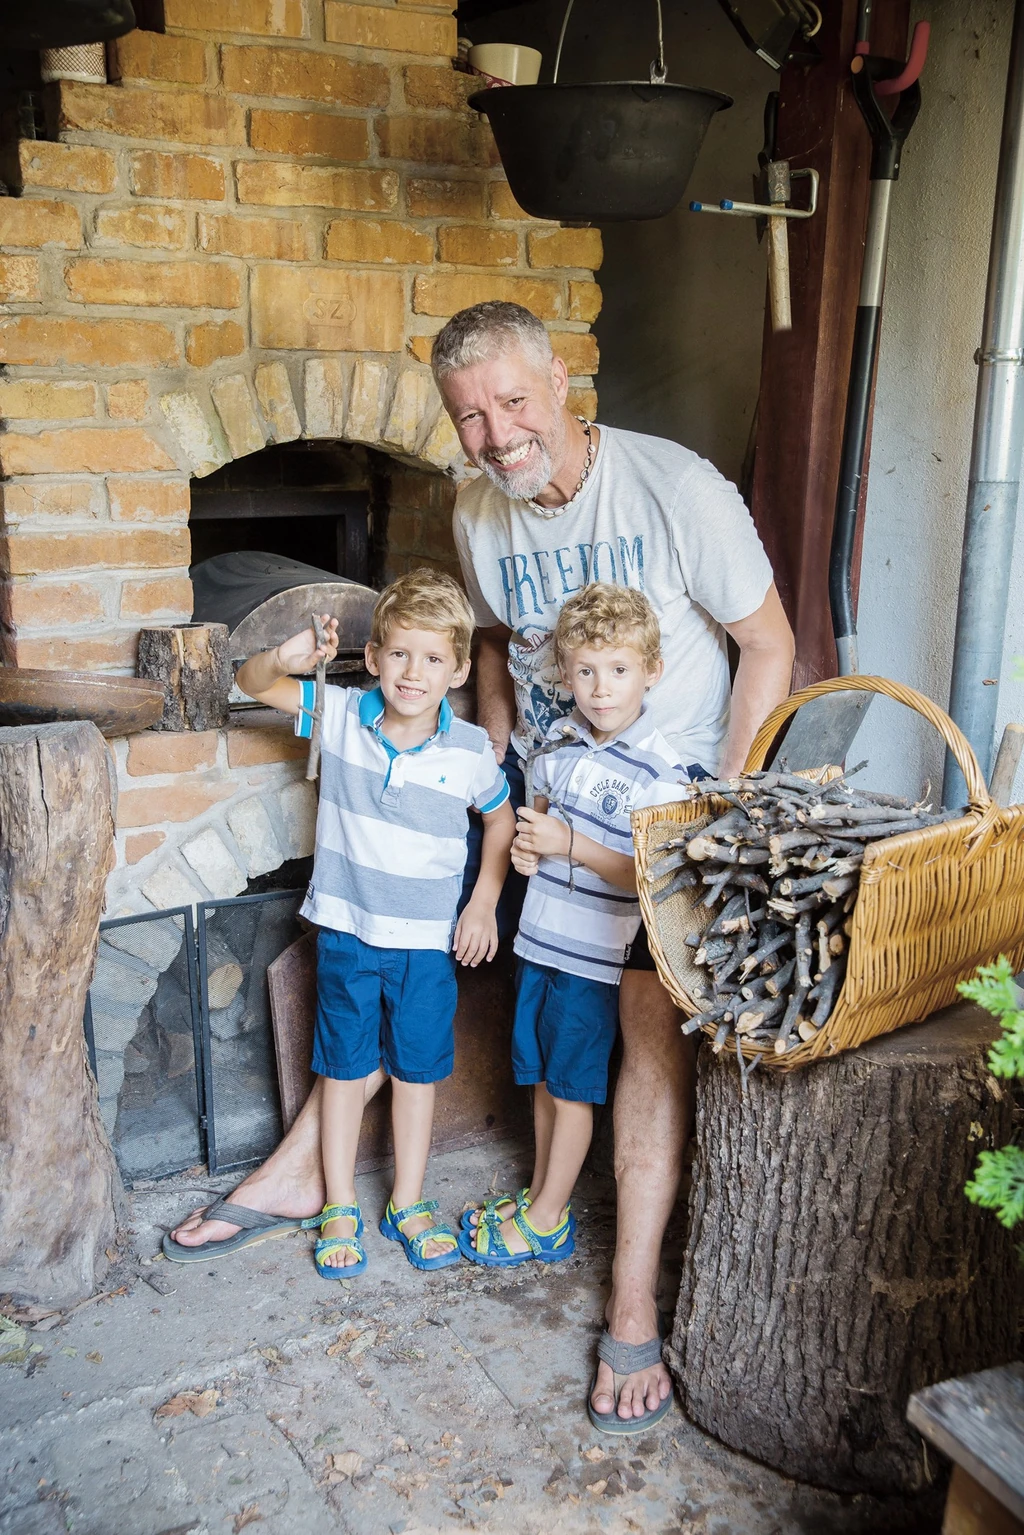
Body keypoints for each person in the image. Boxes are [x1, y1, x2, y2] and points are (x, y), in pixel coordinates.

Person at [167, 302, 795, 1430]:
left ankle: (632, 1304)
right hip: (542, 795)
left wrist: (719, 818)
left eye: (512, 401)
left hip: (663, 815)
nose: (497, 434)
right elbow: (498, 642)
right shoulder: (478, 508)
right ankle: (313, 1167)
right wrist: (489, 744)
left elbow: (769, 643)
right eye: (469, 416)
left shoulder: (675, 488)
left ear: (559, 383)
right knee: (396, 892)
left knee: (645, 1033)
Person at [165, 571, 515, 1277]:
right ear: (375, 656)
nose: (413, 672)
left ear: (457, 670)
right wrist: (285, 657)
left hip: (425, 946)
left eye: (433, 658)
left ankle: (408, 1202)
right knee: (345, 1069)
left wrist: (482, 902)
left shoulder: (471, 749)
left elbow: (501, 823)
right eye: (400, 654)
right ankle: (338, 1205)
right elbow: (250, 682)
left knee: (416, 1074)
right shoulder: (343, 716)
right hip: (347, 936)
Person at [458, 588, 694, 1401]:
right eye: (586, 670)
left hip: (597, 959)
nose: (600, 687)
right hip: (541, 943)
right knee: (539, 1076)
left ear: (651, 670)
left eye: (618, 670)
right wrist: (532, 853)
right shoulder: (553, 749)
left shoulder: (662, 771)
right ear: (564, 672)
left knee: (573, 1084)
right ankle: (544, 1197)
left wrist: (570, 844)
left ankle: (547, 1216)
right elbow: (537, 835)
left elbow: (648, 875)